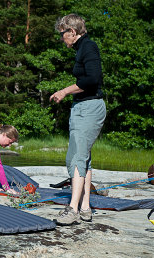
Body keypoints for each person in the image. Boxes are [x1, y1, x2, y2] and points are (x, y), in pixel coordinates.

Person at [50, 14, 106, 225]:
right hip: (84, 106)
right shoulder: (83, 48)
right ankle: (84, 207)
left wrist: (65, 91)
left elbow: (92, 79)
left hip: (89, 108)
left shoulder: (88, 46)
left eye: (62, 34)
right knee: (84, 157)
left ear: (72, 32)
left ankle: (72, 210)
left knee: (75, 158)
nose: (61, 38)